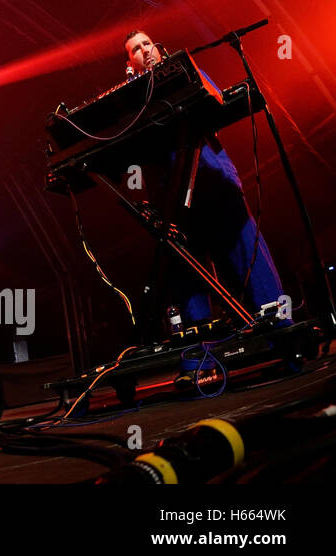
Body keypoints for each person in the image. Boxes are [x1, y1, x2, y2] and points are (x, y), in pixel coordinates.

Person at [121, 31, 287, 335]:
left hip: (213, 179)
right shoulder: (132, 102)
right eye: (136, 49)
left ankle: (283, 333)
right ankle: (200, 360)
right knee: (187, 275)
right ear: (130, 62)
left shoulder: (186, 70)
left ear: (158, 47)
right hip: (172, 196)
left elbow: (215, 99)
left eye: (147, 43)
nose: (144, 50)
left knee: (249, 257)